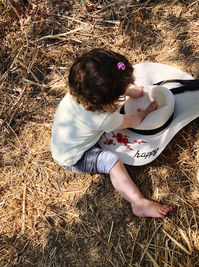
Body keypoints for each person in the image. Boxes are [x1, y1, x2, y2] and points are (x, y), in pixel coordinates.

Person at [51, 48, 172, 218]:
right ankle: (138, 202)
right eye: (124, 89)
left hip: (64, 144)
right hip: (74, 158)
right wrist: (145, 112)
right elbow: (134, 120)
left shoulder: (79, 92)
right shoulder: (104, 119)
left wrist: (129, 92)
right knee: (112, 162)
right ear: (109, 101)